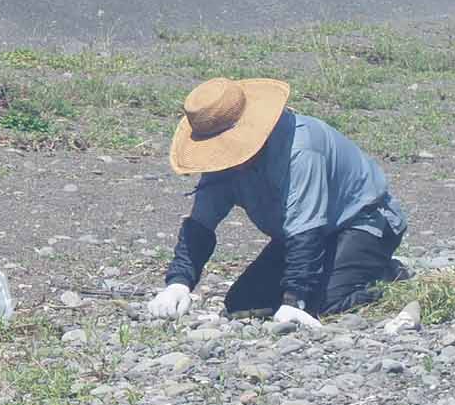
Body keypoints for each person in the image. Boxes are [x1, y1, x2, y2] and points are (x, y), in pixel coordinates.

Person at [146, 77, 408, 328]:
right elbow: (200, 226)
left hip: (364, 223)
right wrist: (178, 283)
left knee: (322, 305)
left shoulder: (301, 149)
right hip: (301, 235)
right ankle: (344, 272)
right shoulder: (222, 164)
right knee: (244, 304)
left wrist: (296, 300)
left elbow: (307, 229)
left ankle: (387, 276)